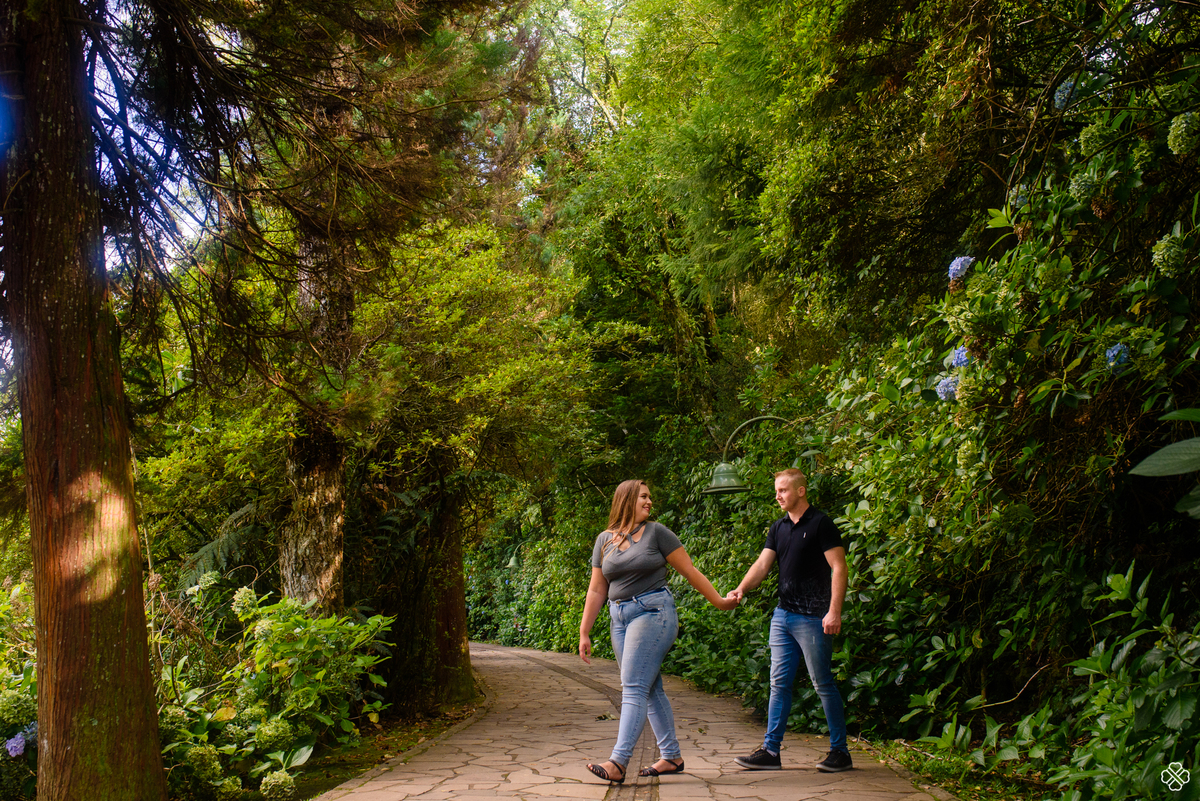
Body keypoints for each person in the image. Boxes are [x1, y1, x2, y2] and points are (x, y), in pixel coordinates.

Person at [579, 479, 738, 784]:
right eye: (643, 497)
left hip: (653, 612)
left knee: (634, 686)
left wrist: (719, 601)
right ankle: (671, 756)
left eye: (650, 497)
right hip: (620, 618)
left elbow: (689, 570)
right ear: (626, 500)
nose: (649, 502)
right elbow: (597, 588)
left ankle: (618, 762)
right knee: (649, 688)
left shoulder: (657, 533)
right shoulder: (604, 540)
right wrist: (585, 631)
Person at [727, 467, 852, 773]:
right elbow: (762, 564)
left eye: (783, 490)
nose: (778, 495)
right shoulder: (779, 527)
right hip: (783, 615)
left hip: (813, 617)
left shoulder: (821, 523)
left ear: (800, 491)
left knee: (822, 682)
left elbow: (839, 567)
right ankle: (771, 751)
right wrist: (742, 587)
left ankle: (840, 752)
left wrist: (833, 611)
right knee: (778, 682)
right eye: (776, 490)